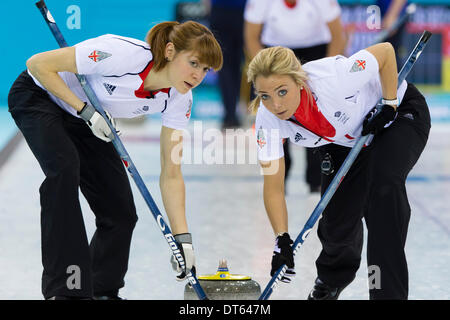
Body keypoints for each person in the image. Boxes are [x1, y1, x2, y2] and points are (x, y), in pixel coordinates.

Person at [8, 21, 222, 300]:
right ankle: (66, 291)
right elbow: (37, 64)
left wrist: (183, 239)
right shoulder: (122, 54)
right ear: (170, 51)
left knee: (120, 211)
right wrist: (84, 110)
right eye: (193, 63)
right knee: (63, 170)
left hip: (86, 118)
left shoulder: (179, 98)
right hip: (39, 96)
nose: (198, 75)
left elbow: (171, 173)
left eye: (205, 69)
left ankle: (102, 290)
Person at [247, 45, 430, 299]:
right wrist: (282, 239)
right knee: (336, 222)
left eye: (282, 91)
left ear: (299, 81)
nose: (275, 104)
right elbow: (273, 186)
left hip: (397, 116)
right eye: (265, 95)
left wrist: (389, 104)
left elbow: (386, 52)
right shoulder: (268, 120)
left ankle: (387, 294)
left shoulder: (335, 79)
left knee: (383, 190)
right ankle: (330, 281)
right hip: (344, 141)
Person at [244, 0, 346, 193]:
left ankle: (317, 179)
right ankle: (279, 179)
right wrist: (265, 71)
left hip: (315, 52)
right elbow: (251, 36)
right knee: (276, 115)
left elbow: (337, 34)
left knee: (314, 117)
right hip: (273, 54)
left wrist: (326, 70)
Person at [204, 0, 247, 129]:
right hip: (242, 12)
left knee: (225, 66)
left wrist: (209, 11)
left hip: (221, 12)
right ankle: (237, 113)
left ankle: (230, 115)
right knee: (237, 65)